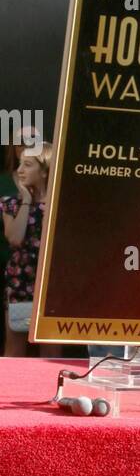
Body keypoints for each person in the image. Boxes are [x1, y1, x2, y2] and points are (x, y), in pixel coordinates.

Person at [1, 143, 53, 357]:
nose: (20, 170)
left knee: (51, 352)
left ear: (44, 170)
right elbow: (14, 238)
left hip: (50, 284)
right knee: (14, 348)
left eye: (28, 165)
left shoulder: (58, 204)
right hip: (20, 282)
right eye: (20, 164)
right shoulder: (11, 203)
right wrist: (27, 199)